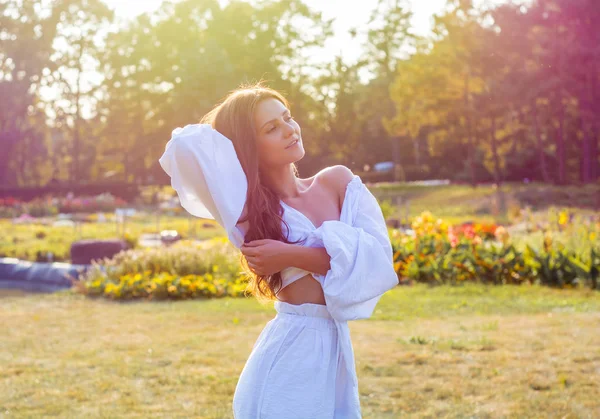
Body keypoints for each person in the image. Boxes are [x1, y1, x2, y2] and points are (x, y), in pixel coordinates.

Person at [158, 83, 399, 419]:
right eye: (271, 128)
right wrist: (233, 128)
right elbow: (184, 145)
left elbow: (377, 262)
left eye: (288, 118)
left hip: (333, 347)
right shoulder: (248, 212)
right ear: (249, 146)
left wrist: (288, 255)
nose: (289, 130)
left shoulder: (338, 181)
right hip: (291, 350)